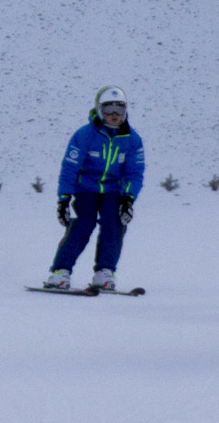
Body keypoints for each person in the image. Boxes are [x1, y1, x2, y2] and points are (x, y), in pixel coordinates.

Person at [44, 85, 145, 291]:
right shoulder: (85, 135)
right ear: (99, 110)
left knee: (114, 223)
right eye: (108, 109)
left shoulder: (132, 140)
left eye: (120, 109)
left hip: (113, 191)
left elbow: (134, 173)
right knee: (84, 223)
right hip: (86, 189)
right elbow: (69, 168)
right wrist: (63, 198)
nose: (114, 115)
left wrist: (128, 199)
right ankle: (60, 271)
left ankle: (104, 272)